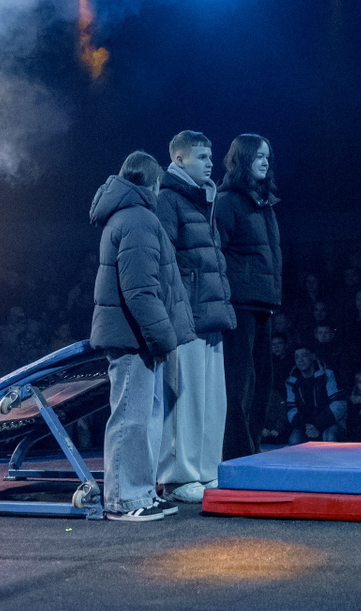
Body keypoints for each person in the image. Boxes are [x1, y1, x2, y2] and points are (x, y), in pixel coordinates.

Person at [88, 152, 194, 520]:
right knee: (131, 420)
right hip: (134, 339)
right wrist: (164, 338)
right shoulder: (138, 219)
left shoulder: (127, 216)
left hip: (136, 338)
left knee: (143, 419)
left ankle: (142, 492)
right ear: (152, 182)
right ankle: (125, 500)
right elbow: (140, 291)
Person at [154, 131, 238, 504]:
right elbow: (165, 262)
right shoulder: (168, 199)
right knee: (185, 403)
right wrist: (176, 313)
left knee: (211, 401)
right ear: (180, 159)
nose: (210, 163)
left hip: (211, 313)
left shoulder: (206, 199)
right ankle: (178, 478)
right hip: (185, 315)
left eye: (210, 156)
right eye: (202, 157)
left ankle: (206, 470)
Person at [214, 133, 282, 462]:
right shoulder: (228, 201)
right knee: (240, 380)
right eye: (258, 156)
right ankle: (237, 451)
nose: (265, 162)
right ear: (243, 159)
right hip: (239, 302)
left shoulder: (264, 201)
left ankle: (252, 447)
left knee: (262, 379)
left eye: (267, 156)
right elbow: (217, 251)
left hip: (262, 302)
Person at [284, 346, 344, 443]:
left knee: (329, 436)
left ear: (312, 356)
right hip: (306, 425)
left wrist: (317, 424)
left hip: (331, 422)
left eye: (304, 356)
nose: (300, 360)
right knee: (294, 439)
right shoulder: (292, 381)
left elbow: (338, 405)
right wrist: (306, 426)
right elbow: (291, 409)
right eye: (297, 357)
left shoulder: (327, 374)